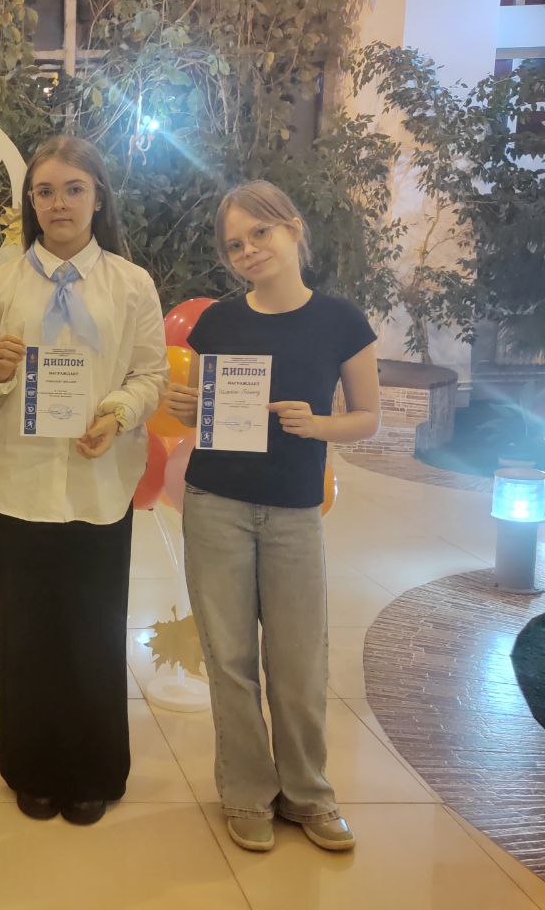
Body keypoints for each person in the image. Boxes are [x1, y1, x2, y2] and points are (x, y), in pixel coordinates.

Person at [163, 179, 380, 853]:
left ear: (292, 228)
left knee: (298, 660)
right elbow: (196, 413)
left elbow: (367, 417)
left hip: (293, 509)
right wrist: (183, 406)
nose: (249, 251)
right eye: (235, 244)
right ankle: (246, 792)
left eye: (260, 233)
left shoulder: (342, 321)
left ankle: (309, 793)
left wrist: (318, 425)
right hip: (215, 503)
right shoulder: (218, 323)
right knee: (228, 660)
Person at [0, 136, 167, 826]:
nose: (59, 203)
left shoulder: (132, 284)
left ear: (97, 197)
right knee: (25, 638)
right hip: (17, 486)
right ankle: (31, 767)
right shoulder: (0, 284)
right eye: (45, 191)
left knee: (93, 635)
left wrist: (118, 412)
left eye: (73, 189)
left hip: (98, 485)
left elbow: (150, 373)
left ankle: (93, 771)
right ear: (31, 202)